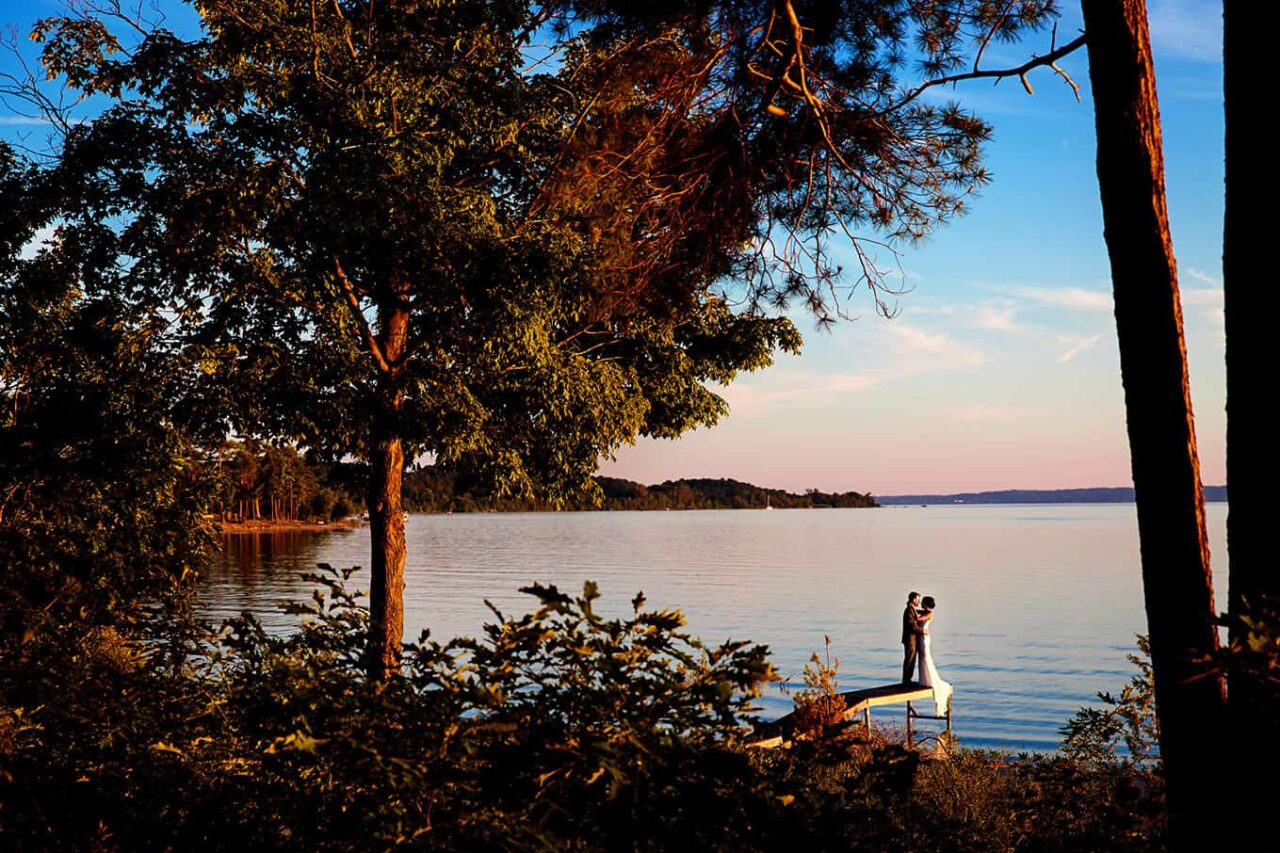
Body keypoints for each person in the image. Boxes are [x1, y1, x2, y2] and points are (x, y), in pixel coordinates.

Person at [916, 595, 953, 716]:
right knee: (922, 658)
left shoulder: (929, 614)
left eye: (922, 602)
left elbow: (919, 620)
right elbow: (916, 612)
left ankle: (930, 679)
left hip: (924, 638)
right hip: (921, 637)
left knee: (925, 657)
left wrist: (914, 615)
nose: (920, 604)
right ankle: (924, 679)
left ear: (926, 604)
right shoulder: (925, 611)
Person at [901, 591, 923, 684]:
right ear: (914, 599)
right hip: (910, 639)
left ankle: (907, 679)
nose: (919, 601)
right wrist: (922, 630)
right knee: (910, 659)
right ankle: (906, 680)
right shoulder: (909, 610)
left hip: (911, 639)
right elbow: (911, 624)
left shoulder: (911, 609)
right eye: (918, 599)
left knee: (911, 659)